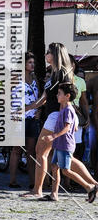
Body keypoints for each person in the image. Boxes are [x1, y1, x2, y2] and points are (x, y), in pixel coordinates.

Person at [23, 42, 75, 198]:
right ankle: (39, 189)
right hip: (52, 115)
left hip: (56, 116)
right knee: (46, 153)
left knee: (43, 152)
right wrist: (26, 108)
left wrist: (67, 119)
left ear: (55, 55)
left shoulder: (61, 73)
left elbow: (68, 97)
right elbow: (44, 98)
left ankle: (38, 190)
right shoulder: (54, 73)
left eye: (48, 52)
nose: (46, 55)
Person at [44, 83, 98, 203]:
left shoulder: (68, 110)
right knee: (54, 167)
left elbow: (67, 127)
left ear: (67, 96)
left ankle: (90, 187)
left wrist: (53, 136)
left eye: (59, 93)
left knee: (65, 170)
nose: (57, 95)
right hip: (60, 143)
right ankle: (54, 194)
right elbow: (75, 127)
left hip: (65, 144)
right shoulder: (65, 108)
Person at [8, 52, 39, 189]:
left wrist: (39, 111)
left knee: (31, 151)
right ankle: (12, 180)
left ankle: (33, 181)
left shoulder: (34, 78)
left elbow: (38, 97)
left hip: (32, 118)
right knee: (17, 149)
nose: (32, 65)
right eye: (29, 62)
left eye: (33, 62)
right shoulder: (15, 78)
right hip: (18, 118)